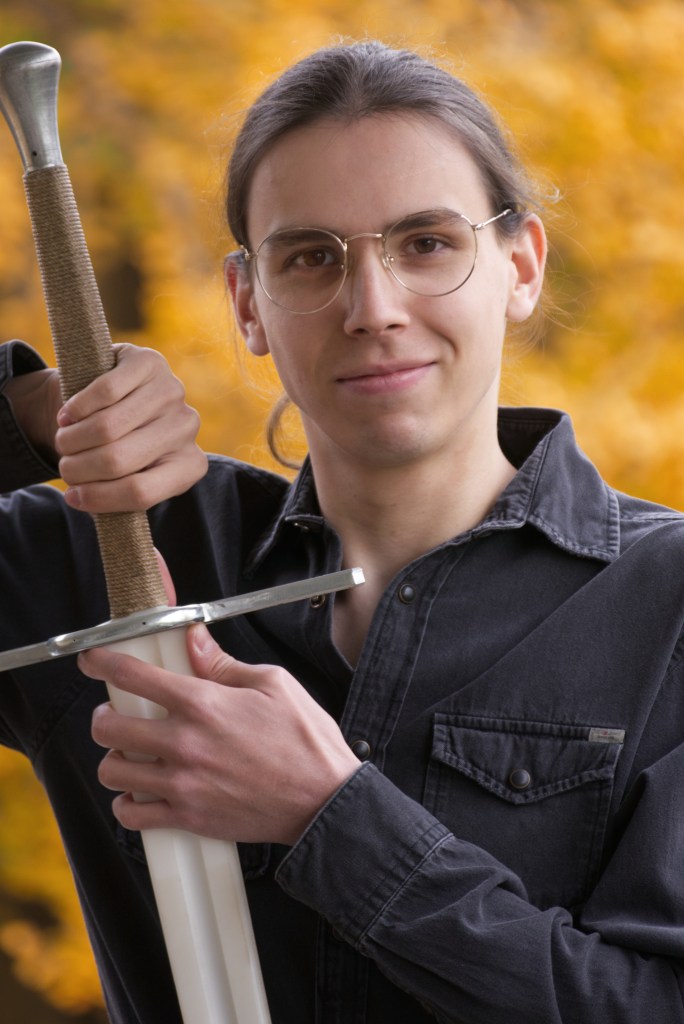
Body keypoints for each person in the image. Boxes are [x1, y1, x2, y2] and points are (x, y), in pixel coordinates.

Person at [2, 38, 684, 1024]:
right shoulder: (110, 548)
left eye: (427, 243)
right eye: (311, 256)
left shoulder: (665, 605)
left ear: (521, 265)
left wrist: (330, 816)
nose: (372, 308)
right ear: (248, 303)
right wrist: (33, 414)